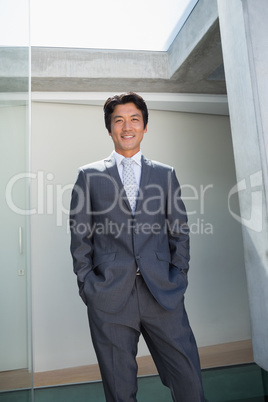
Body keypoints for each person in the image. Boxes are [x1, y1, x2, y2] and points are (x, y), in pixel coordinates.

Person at [69, 92, 204, 401]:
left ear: (144, 127)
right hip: (110, 296)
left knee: (189, 383)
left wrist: (177, 278)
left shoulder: (165, 174)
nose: (127, 126)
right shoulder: (88, 176)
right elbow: (80, 237)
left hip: (162, 293)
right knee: (120, 391)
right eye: (119, 120)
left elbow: (179, 232)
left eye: (134, 119)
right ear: (109, 129)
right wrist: (89, 287)